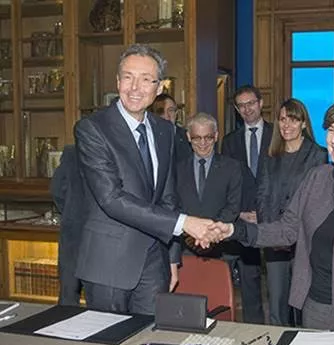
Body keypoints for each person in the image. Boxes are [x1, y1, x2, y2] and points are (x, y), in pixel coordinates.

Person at [211, 97, 334, 342]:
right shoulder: (317, 179)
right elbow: (287, 230)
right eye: (331, 130)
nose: (333, 139)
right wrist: (234, 230)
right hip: (314, 309)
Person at [74, 44, 214, 314]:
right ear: (117, 82)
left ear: (159, 87)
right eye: (128, 77)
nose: (135, 87)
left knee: (149, 343)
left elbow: (168, 196)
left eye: (145, 79)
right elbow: (111, 199)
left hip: (155, 261)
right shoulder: (92, 128)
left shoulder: (165, 131)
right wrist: (185, 224)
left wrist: (172, 258)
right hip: (108, 264)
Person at [256, 98, 327, 326]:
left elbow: (317, 202)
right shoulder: (270, 155)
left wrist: (294, 234)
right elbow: (262, 196)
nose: (287, 125)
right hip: (274, 240)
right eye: (283, 119)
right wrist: (272, 233)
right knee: (276, 301)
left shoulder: (317, 154)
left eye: (293, 120)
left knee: (302, 302)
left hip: (304, 241)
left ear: (304, 124)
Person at [220, 85, 273, 324]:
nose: (247, 109)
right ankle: (251, 328)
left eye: (251, 103)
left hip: (272, 218)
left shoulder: (278, 134)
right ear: (236, 109)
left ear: (261, 103)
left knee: (276, 283)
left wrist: (264, 213)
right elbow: (228, 183)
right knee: (248, 278)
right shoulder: (230, 142)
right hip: (241, 218)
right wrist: (238, 213)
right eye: (241, 105)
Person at [171, 112, 242, 265]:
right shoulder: (177, 169)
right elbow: (174, 205)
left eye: (208, 137)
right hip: (186, 248)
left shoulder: (232, 167)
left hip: (222, 248)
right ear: (189, 137)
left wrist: (211, 234)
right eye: (197, 137)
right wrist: (191, 233)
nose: (203, 143)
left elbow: (233, 206)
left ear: (216, 136)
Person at [50, 145, 85, 306]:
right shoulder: (119, 147)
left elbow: (57, 189)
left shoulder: (72, 152)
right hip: (108, 234)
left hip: (74, 229)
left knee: (69, 295)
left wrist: (70, 211)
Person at [149, 93, 191, 164]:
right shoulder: (148, 137)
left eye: (171, 110)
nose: (167, 116)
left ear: (176, 113)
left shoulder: (187, 137)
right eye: (161, 111)